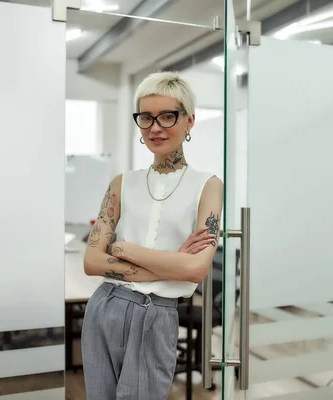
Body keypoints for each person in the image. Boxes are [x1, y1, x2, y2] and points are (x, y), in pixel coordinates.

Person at [81, 71, 223, 400]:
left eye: (167, 116)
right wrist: (170, 263)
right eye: (146, 117)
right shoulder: (121, 183)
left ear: (189, 121)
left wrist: (124, 249)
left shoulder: (208, 186)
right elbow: (91, 261)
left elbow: (194, 270)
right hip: (104, 306)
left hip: (155, 312)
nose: (155, 127)